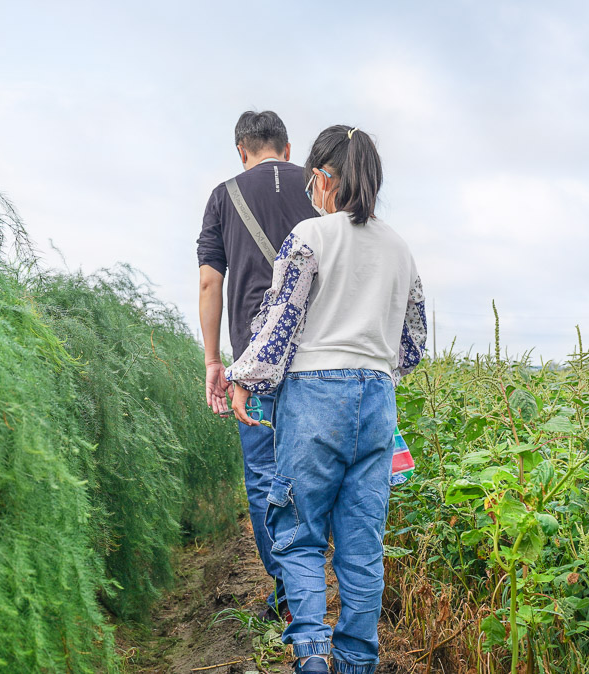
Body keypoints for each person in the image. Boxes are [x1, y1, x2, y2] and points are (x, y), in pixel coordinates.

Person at [225, 125, 427, 674]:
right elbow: (412, 346)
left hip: (315, 397)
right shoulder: (400, 249)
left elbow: (280, 324)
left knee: (301, 535)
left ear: (321, 178)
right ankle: (359, 662)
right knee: (362, 545)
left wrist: (244, 376)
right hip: (377, 400)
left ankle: (313, 657)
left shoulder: (310, 235)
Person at [196, 110, 317, 622]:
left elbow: (209, 284)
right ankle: (314, 585)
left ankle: (290, 597)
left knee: (268, 477)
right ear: (288, 149)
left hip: (254, 364)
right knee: (317, 474)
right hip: (317, 355)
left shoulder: (223, 196)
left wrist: (213, 361)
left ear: (241, 151)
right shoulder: (317, 186)